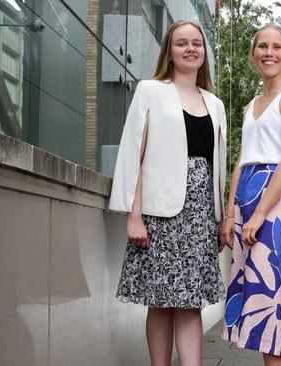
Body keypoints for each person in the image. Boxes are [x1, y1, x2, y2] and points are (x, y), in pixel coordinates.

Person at [109, 20, 227, 366]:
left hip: (200, 214)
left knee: (191, 302)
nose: (191, 49)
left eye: (197, 43)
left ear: (204, 53)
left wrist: (219, 219)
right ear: (170, 53)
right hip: (160, 213)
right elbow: (135, 153)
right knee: (159, 300)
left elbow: (217, 165)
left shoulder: (215, 103)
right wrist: (134, 214)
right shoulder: (150, 90)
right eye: (181, 44)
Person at [220, 24, 281, 366]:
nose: (269, 52)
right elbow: (241, 162)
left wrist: (260, 213)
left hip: (273, 205)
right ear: (253, 54)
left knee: (273, 299)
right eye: (262, 46)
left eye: (277, 47)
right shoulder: (251, 104)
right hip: (248, 202)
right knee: (260, 299)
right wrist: (231, 213)